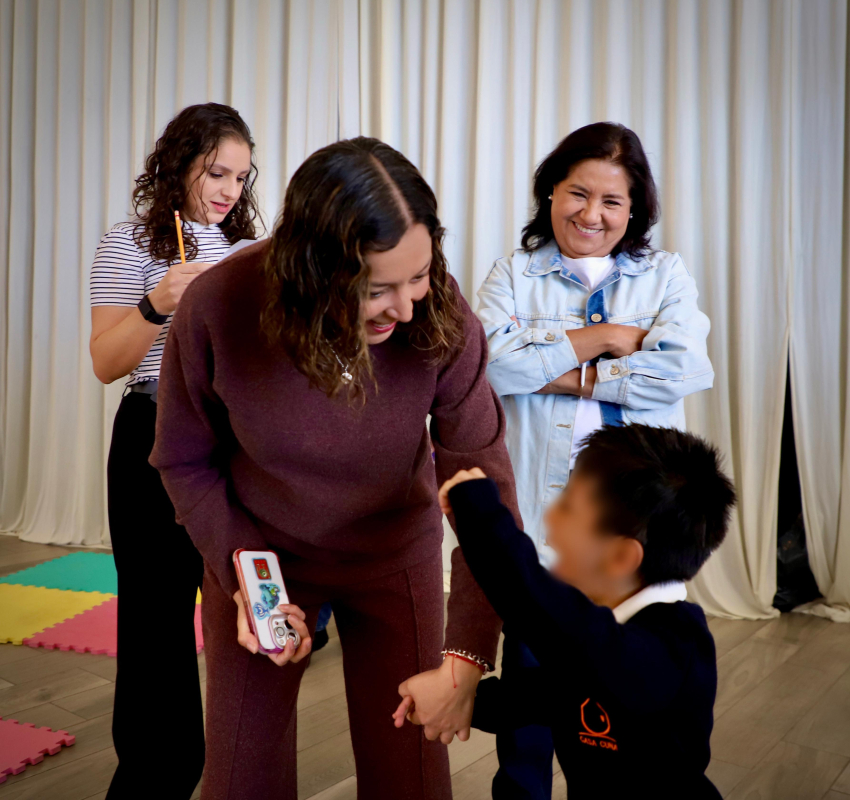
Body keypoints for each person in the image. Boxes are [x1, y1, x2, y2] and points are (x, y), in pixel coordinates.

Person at [149, 137, 522, 800]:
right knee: (241, 778)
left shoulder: (440, 316)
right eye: (377, 289)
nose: (407, 307)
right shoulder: (217, 307)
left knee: (410, 772)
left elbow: (484, 490)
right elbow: (183, 459)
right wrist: (249, 584)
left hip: (392, 555)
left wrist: (466, 658)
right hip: (260, 558)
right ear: (311, 267)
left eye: (420, 274)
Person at [474, 121, 714, 797]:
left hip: (634, 538)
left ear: (634, 208)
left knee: (623, 718)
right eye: (578, 194)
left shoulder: (665, 274)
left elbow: (682, 370)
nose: (592, 214)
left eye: (612, 201)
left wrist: (550, 359)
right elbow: (488, 370)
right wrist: (608, 338)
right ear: (551, 192)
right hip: (550, 528)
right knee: (527, 705)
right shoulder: (514, 274)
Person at [89, 102, 261, 799]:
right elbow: (105, 363)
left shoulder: (254, 251)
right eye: (217, 172)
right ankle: (152, 778)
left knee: (241, 616)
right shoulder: (128, 244)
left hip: (237, 446)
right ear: (177, 165)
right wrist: (159, 302)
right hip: (154, 436)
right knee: (156, 623)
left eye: (243, 178)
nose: (230, 191)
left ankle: (235, 771)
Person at [425, 424, 736, 799]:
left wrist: (480, 512)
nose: (551, 519)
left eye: (569, 507)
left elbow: (540, 609)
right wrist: (462, 702)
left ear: (620, 556)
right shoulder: (603, 641)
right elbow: (553, 694)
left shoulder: (669, 647)